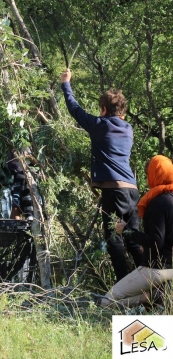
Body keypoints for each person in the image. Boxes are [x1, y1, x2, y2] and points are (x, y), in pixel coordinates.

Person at [60, 68, 142, 281]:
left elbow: (75, 109)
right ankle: (153, 286)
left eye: (100, 109)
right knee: (133, 240)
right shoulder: (128, 129)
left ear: (104, 109)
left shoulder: (100, 126)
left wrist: (66, 83)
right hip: (132, 191)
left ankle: (123, 287)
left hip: (114, 192)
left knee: (113, 238)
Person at [100, 155, 173, 308]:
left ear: (155, 175)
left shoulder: (157, 203)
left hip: (156, 269)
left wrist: (126, 231)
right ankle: (160, 293)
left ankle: (151, 297)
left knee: (107, 301)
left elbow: (155, 241)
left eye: (148, 175)